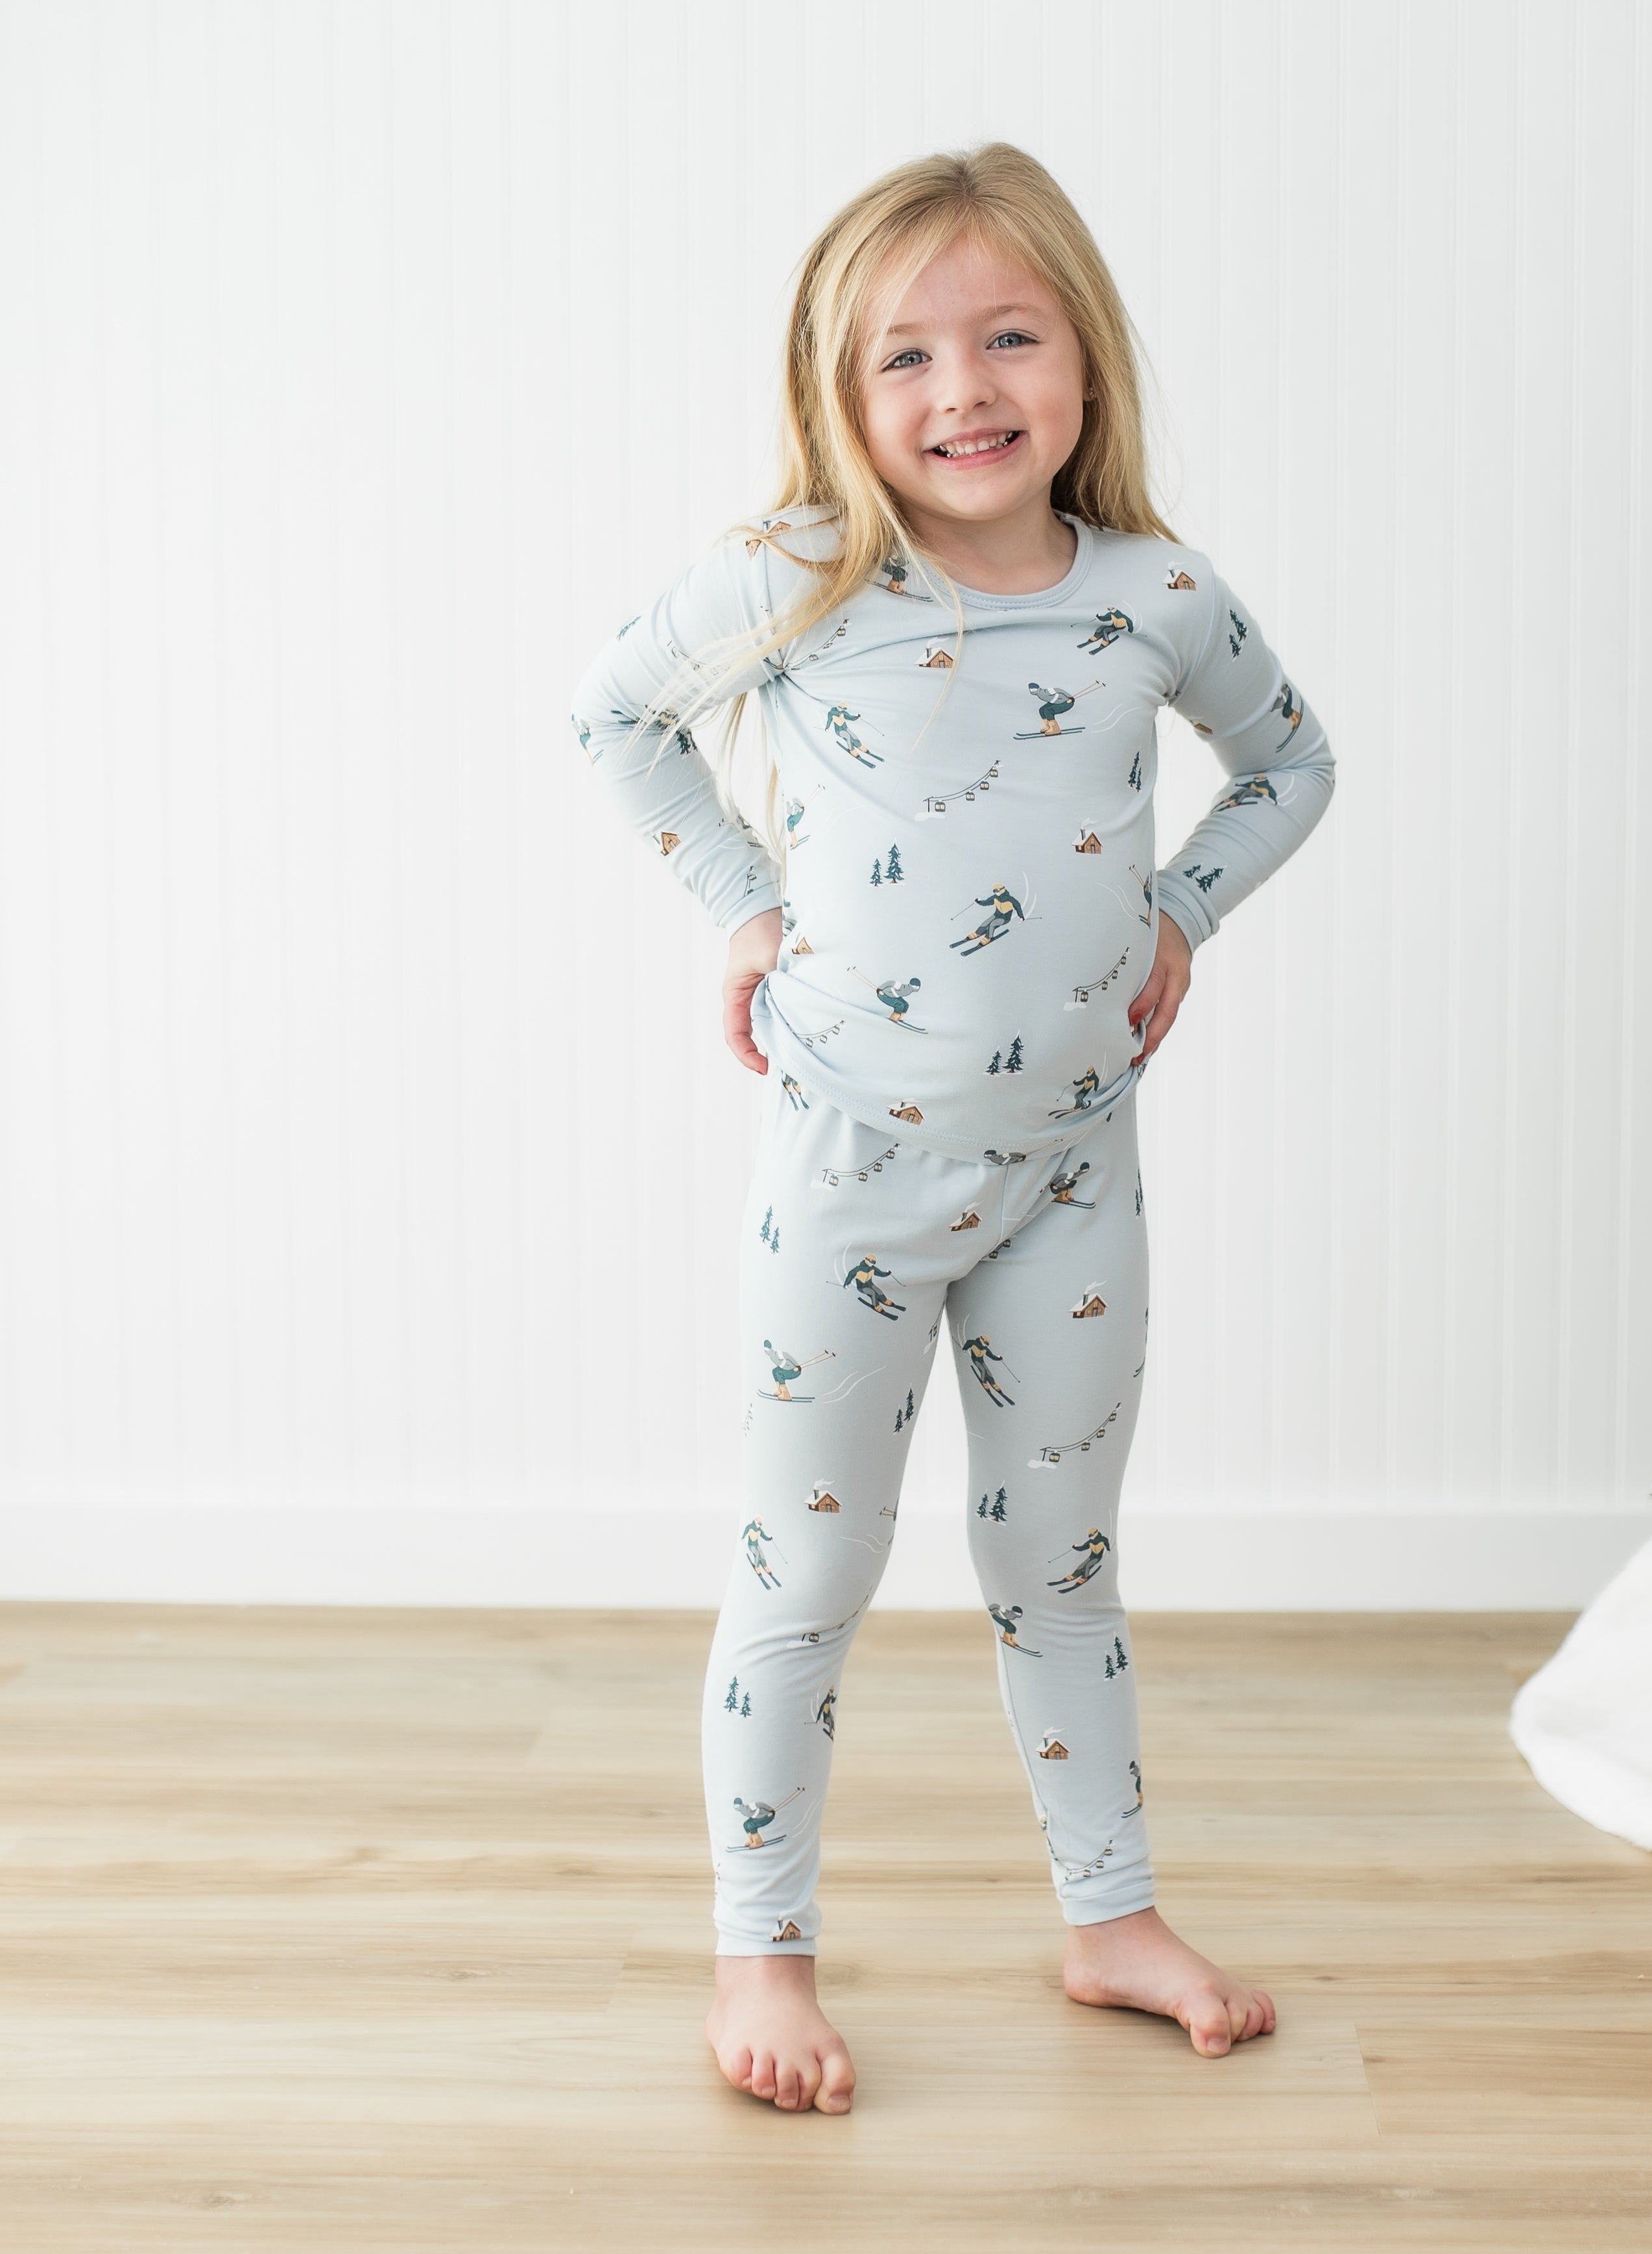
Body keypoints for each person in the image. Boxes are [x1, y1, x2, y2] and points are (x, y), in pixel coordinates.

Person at [568, 142, 1334, 2116]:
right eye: (902, 354)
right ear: (836, 391)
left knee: (1056, 1559)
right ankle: (764, 1948)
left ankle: (1110, 1914)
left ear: (1082, 358)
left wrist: (1181, 906)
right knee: (802, 1576)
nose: (961, 388)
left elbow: (1291, 761)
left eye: (1007, 335)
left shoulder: (1154, 594)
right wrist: (743, 902)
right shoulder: (798, 575)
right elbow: (615, 717)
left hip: (1074, 1166)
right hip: (847, 1166)